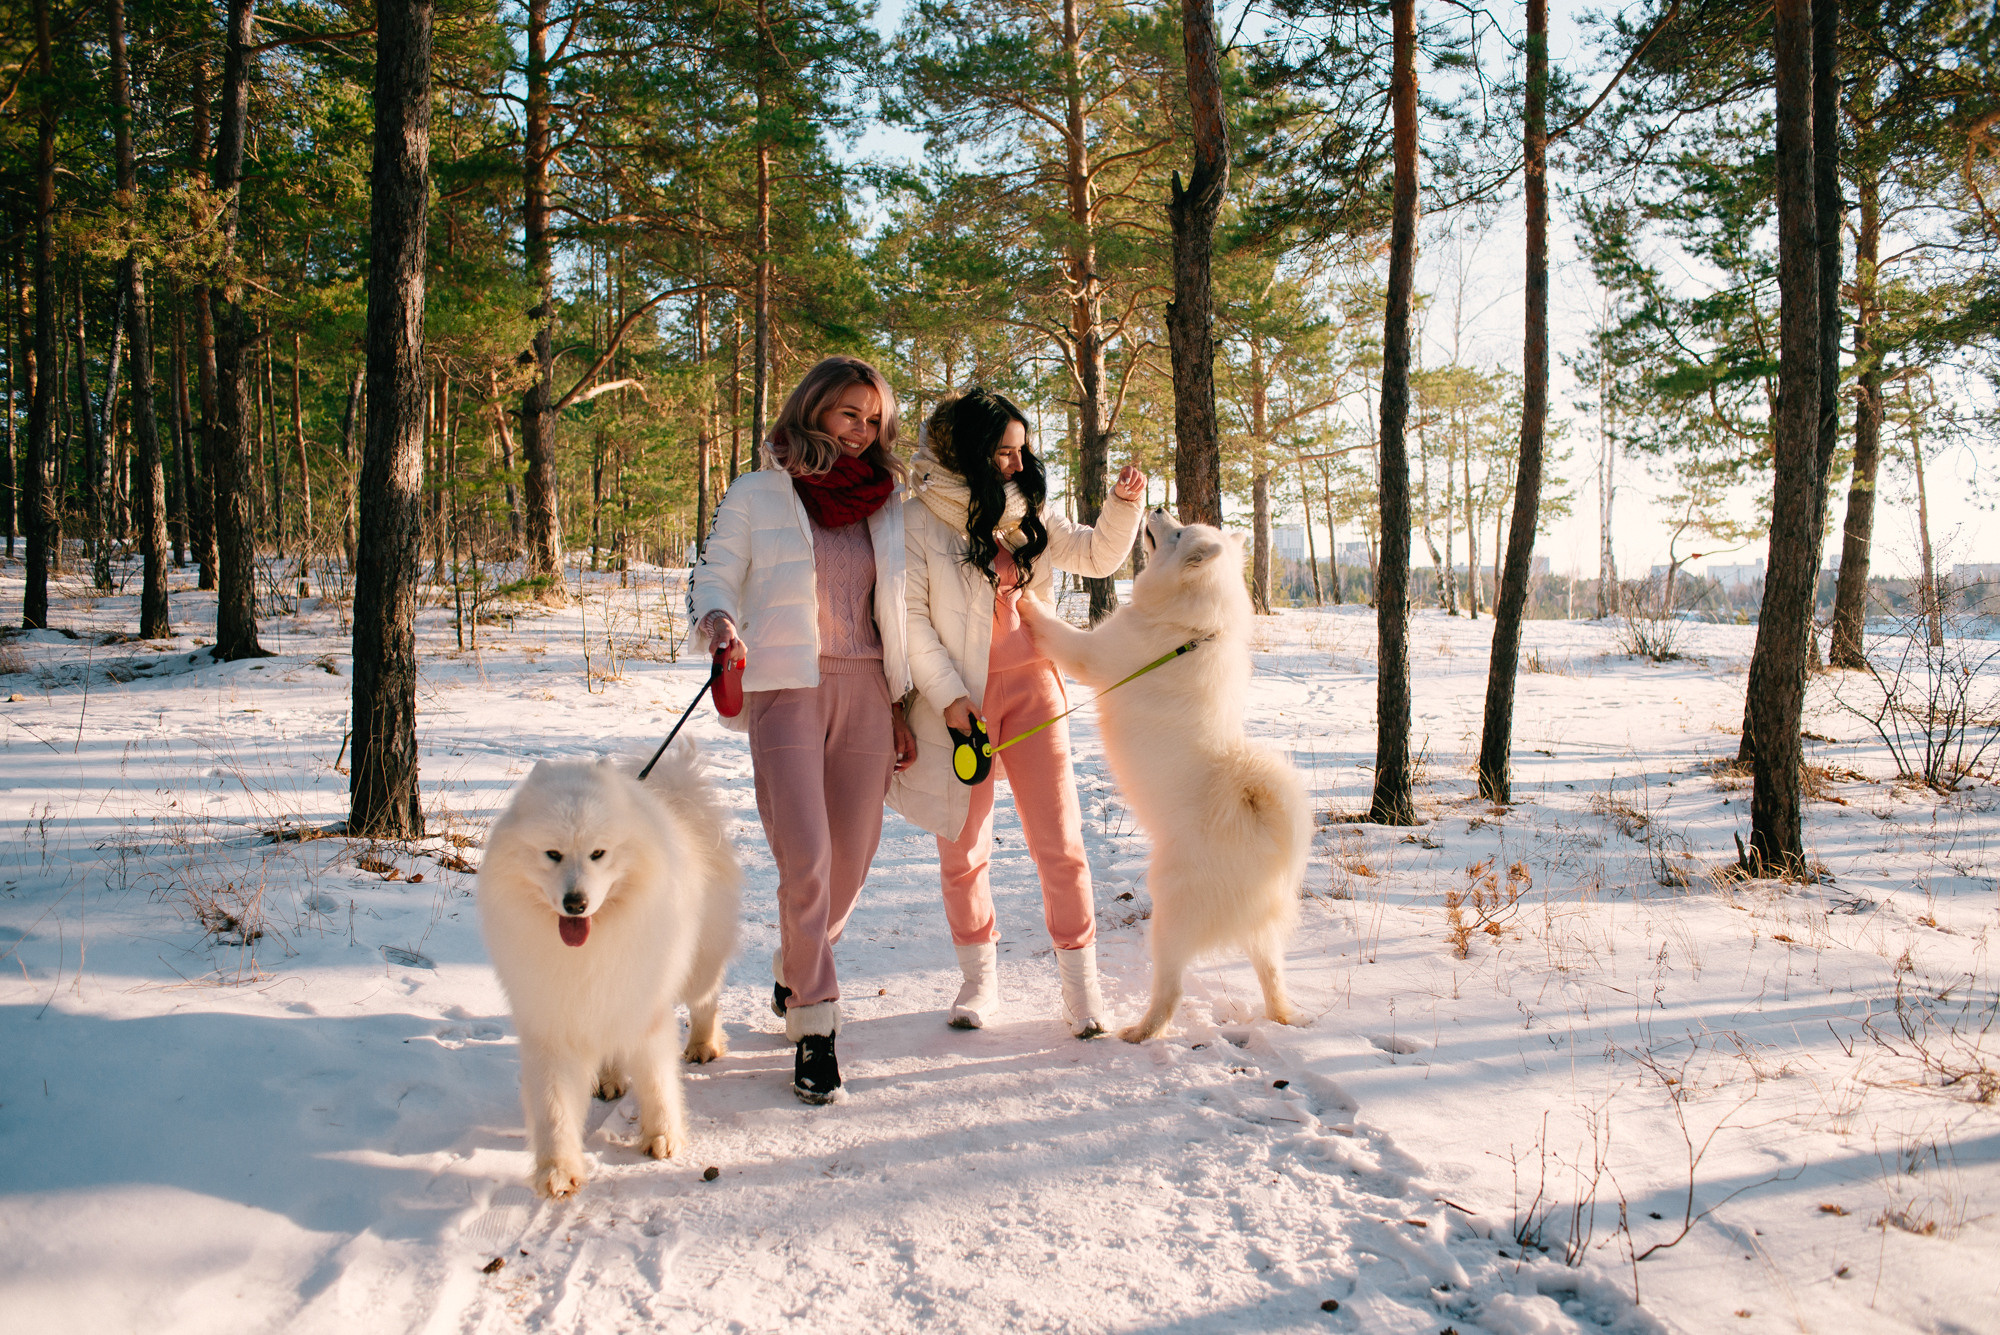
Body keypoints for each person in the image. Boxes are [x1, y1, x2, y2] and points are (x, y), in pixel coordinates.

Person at [689, 355, 917, 1104]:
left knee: (848, 862)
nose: (861, 430)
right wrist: (718, 617)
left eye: (873, 418)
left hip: (869, 686)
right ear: (814, 409)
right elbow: (717, 568)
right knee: (807, 857)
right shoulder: (760, 491)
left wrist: (904, 703)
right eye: (849, 413)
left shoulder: (889, 504)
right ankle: (815, 1030)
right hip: (787, 685)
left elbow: (905, 609)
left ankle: (795, 964)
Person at [891, 388, 1146, 1036]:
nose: (1015, 461)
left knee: (1060, 843)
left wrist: (1122, 504)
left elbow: (1095, 554)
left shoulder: (1029, 510)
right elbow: (913, 621)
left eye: (1020, 449)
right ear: (968, 451)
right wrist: (949, 699)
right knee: (963, 848)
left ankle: (1081, 990)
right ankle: (979, 981)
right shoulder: (921, 520)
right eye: (1002, 451)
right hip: (962, 706)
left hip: (1035, 689)